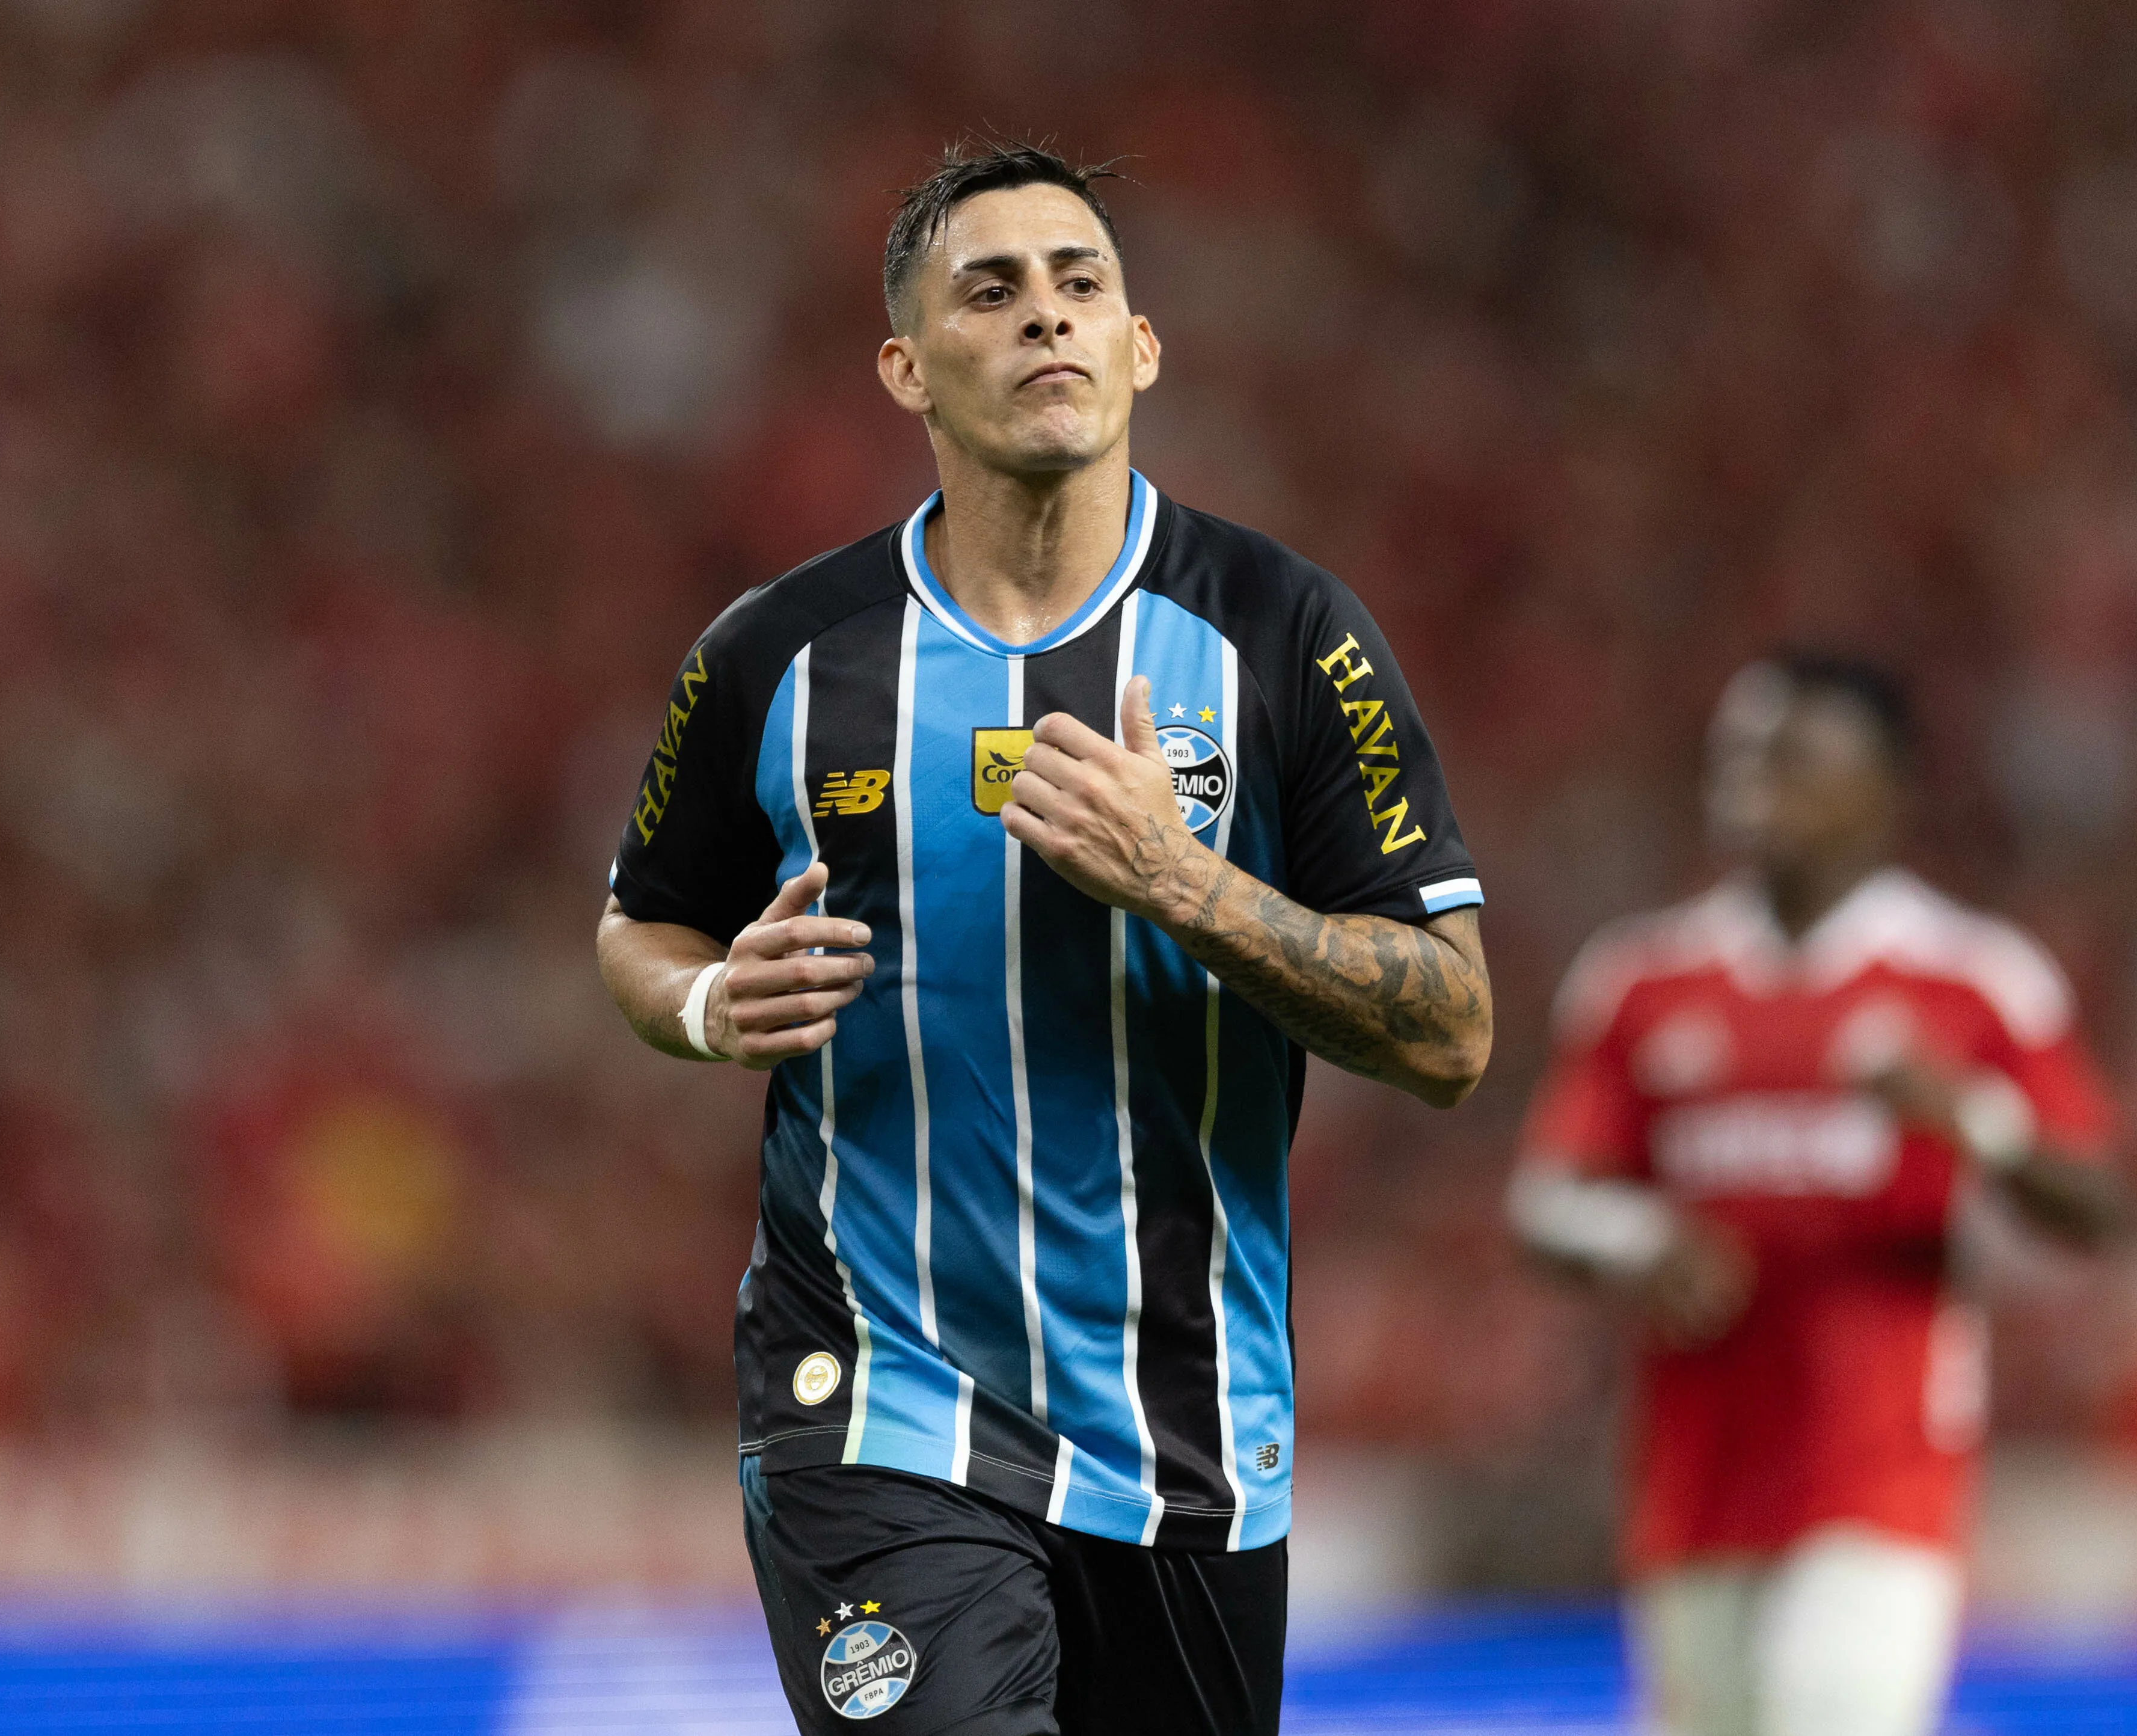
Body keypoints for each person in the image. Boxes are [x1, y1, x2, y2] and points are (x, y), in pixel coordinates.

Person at [593, 141, 1493, 1736]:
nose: (1045, 319)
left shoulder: (1286, 635)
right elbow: (642, 921)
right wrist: (712, 1002)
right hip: (874, 1397)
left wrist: (1188, 883)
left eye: (1082, 285)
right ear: (905, 366)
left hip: (1187, 1428)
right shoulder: (779, 656)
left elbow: (1450, 1033)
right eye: (991, 291)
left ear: (1142, 345)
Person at [1508, 655, 2122, 1736]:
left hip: (1879, 1473)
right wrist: (1635, 1238)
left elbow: (2099, 1204)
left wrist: (1967, 1115)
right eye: (1736, 757)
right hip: (1695, 1477)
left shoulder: (1969, 977)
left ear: (1882, 789)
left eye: (1789, 759)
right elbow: (1544, 1199)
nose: (1750, 785)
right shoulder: (1643, 979)